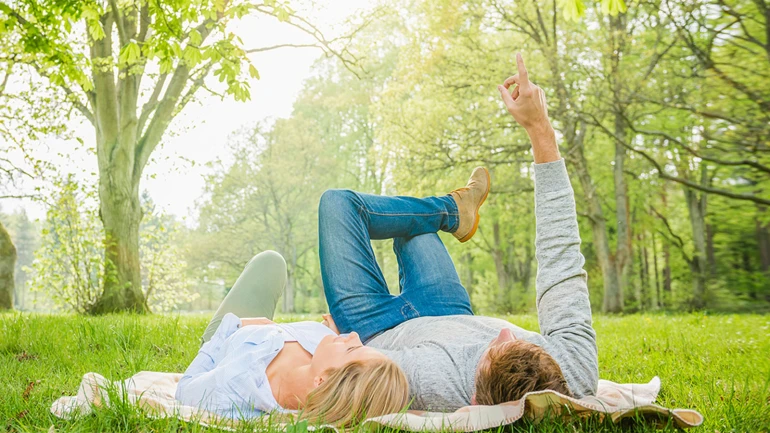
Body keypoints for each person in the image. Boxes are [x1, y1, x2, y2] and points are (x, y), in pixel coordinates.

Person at [319, 52, 598, 411]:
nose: (504, 331)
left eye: (497, 347)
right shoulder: (572, 366)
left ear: (473, 398)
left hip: (375, 326)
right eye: (520, 341)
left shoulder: (437, 382)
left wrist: (340, 342)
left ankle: (452, 209)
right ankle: (452, 210)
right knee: (415, 228)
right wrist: (539, 127)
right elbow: (560, 252)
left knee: (338, 204)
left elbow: (355, 368)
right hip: (448, 310)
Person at [174, 250, 409, 427]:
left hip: (230, 334)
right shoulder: (324, 354)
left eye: (351, 349)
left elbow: (184, 389)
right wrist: (331, 335)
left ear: (321, 382)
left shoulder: (233, 387)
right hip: (269, 330)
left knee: (270, 262)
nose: (354, 336)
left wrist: (234, 325)